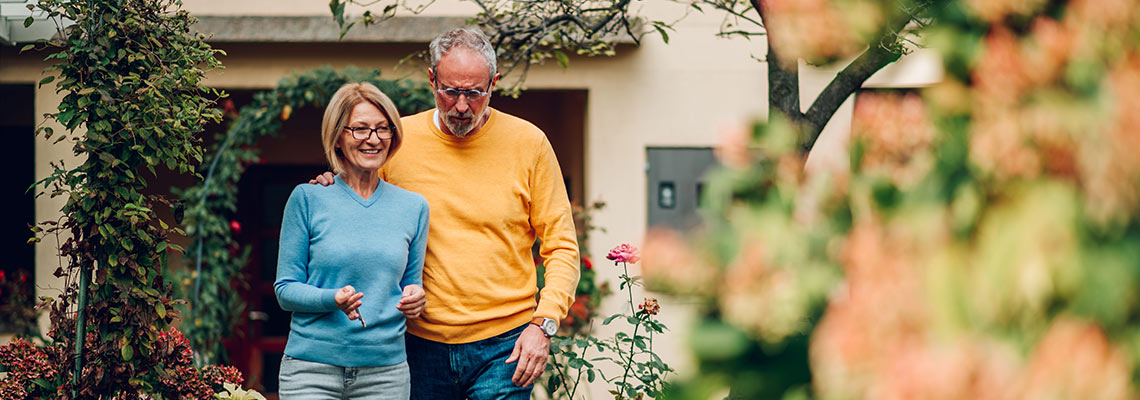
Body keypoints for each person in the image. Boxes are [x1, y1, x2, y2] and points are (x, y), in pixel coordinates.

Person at [312, 27, 580, 399]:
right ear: (432, 79)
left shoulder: (528, 143)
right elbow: (358, 202)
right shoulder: (397, 142)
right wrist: (333, 186)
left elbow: (563, 247)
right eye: (450, 90)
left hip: (505, 347)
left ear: (494, 83)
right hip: (416, 345)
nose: (461, 105)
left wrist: (543, 324)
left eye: (474, 92)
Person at [276, 82, 430, 399]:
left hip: (386, 375)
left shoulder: (414, 207)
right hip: (310, 371)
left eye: (382, 129)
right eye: (359, 129)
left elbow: (410, 284)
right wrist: (333, 298)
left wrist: (416, 297)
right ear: (338, 137)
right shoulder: (308, 198)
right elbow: (285, 289)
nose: (372, 140)